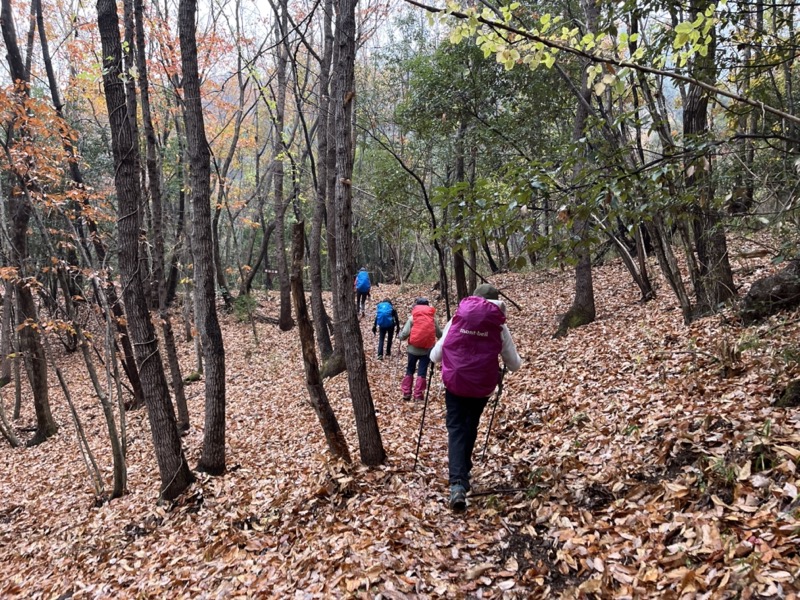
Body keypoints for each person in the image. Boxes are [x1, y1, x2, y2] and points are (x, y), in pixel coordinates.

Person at [430, 283, 521, 513]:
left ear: (474, 299)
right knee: (470, 425)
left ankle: (457, 484)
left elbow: (435, 355)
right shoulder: (498, 325)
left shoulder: (458, 318)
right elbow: (515, 364)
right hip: (482, 387)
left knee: (456, 427)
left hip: (455, 384)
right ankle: (464, 469)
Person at [398, 297, 441, 401]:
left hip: (413, 349)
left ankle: (407, 392)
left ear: (416, 305)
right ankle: (418, 395)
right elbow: (439, 334)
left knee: (410, 370)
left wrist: (400, 336)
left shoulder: (412, 317)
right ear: (428, 306)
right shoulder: (432, 318)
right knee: (422, 372)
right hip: (427, 350)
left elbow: (404, 334)